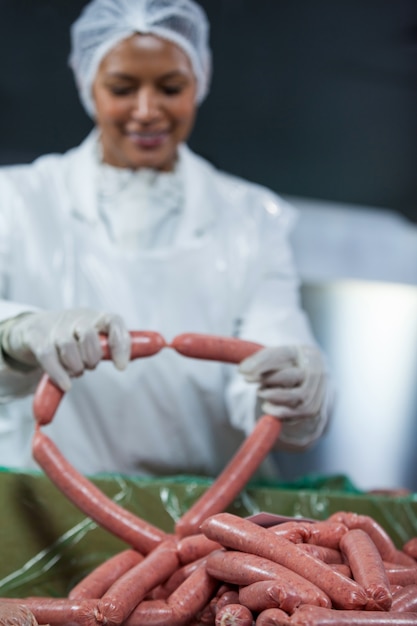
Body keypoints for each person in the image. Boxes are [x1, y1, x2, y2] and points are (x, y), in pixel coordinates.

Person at [0, 0, 332, 478]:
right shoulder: (17, 200)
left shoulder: (251, 219)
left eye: (171, 87)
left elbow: (273, 351)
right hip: (47, 510)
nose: (147, 110)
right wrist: (17, 332)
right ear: (87, 84)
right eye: (122, 88)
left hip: (210, 528)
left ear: (201, 82)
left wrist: (293, 392)